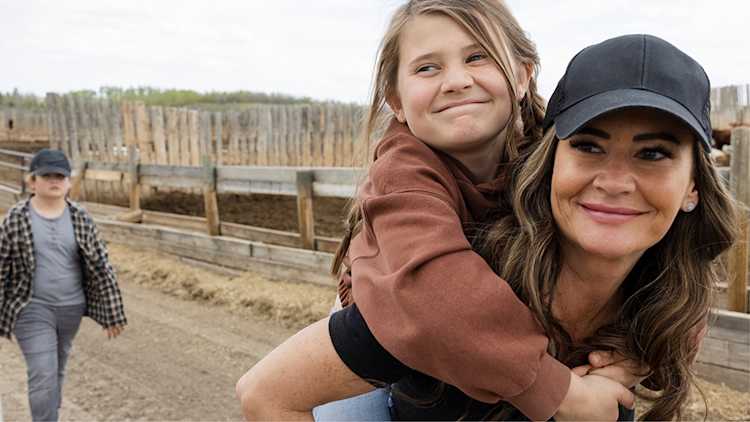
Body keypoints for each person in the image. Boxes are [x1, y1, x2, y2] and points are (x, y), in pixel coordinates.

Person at [237, 33, 737, 421]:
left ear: (693, 185)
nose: (615, 181)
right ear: (549, 162)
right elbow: (265, 395)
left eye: (654, 154)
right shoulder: (451, 295)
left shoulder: (663, 306)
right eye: (588, 145)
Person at [0, 149, 127, 422]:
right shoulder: (16, 218)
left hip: (71, 309)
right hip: (31, 307)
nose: (54, 181)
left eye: (60, 176)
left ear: (69, 182)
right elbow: (1, 269)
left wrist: (112, 314)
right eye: (47, 176)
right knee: (43, 373)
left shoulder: (80, 217)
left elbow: (101, 264)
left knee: (56, 369)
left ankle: (48, 415)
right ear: (32, 182)